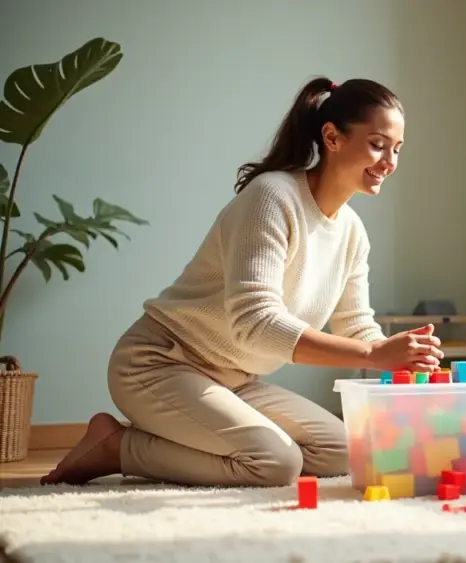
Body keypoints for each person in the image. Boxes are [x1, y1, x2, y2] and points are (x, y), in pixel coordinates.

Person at [41, 77, 444, 488]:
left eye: (397, 149)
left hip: (235, 380)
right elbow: (255, 323)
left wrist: (407, 367)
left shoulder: (353, 232)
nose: (390, 162)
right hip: (158, 363)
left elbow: (357, 325)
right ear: (332, 137)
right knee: (275, 463)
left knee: (346, 449)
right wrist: (375, 353)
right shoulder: (272, 197)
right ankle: (118, 446)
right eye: (378, 144)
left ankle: (199, 432)